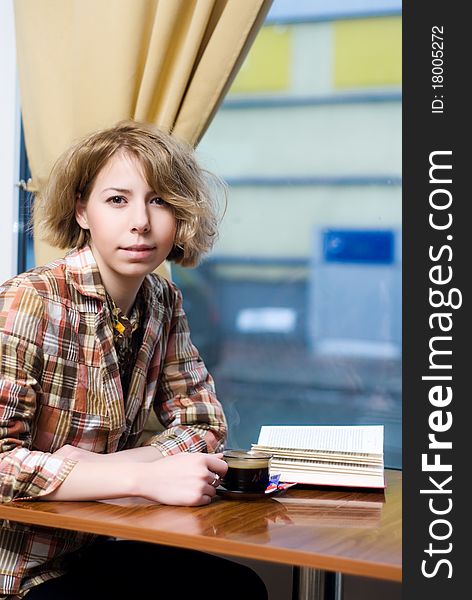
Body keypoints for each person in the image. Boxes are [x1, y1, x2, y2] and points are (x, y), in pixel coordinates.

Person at [0, 121, 268, 599]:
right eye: (117, 200)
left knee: (238, 588)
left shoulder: (162, 299)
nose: (141, 221)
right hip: (18, 570)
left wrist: (115, 465)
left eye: (160, 200)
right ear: (83, 210)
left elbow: (204, 424)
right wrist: (138, 476)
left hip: (92, 544)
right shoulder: (28, 300)